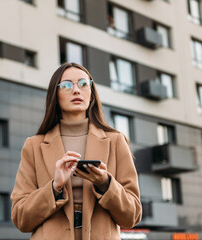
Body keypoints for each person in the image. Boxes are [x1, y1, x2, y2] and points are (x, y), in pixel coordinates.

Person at [11, 62, 142, 240]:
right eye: (66, 85)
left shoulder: (116, 141)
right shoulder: (34, 146)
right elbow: (20, 218)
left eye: (83, 84)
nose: (76, 90)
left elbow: (132, 216)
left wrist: (105, 184)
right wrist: (55, 187)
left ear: (92, 93)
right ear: (55, 95)